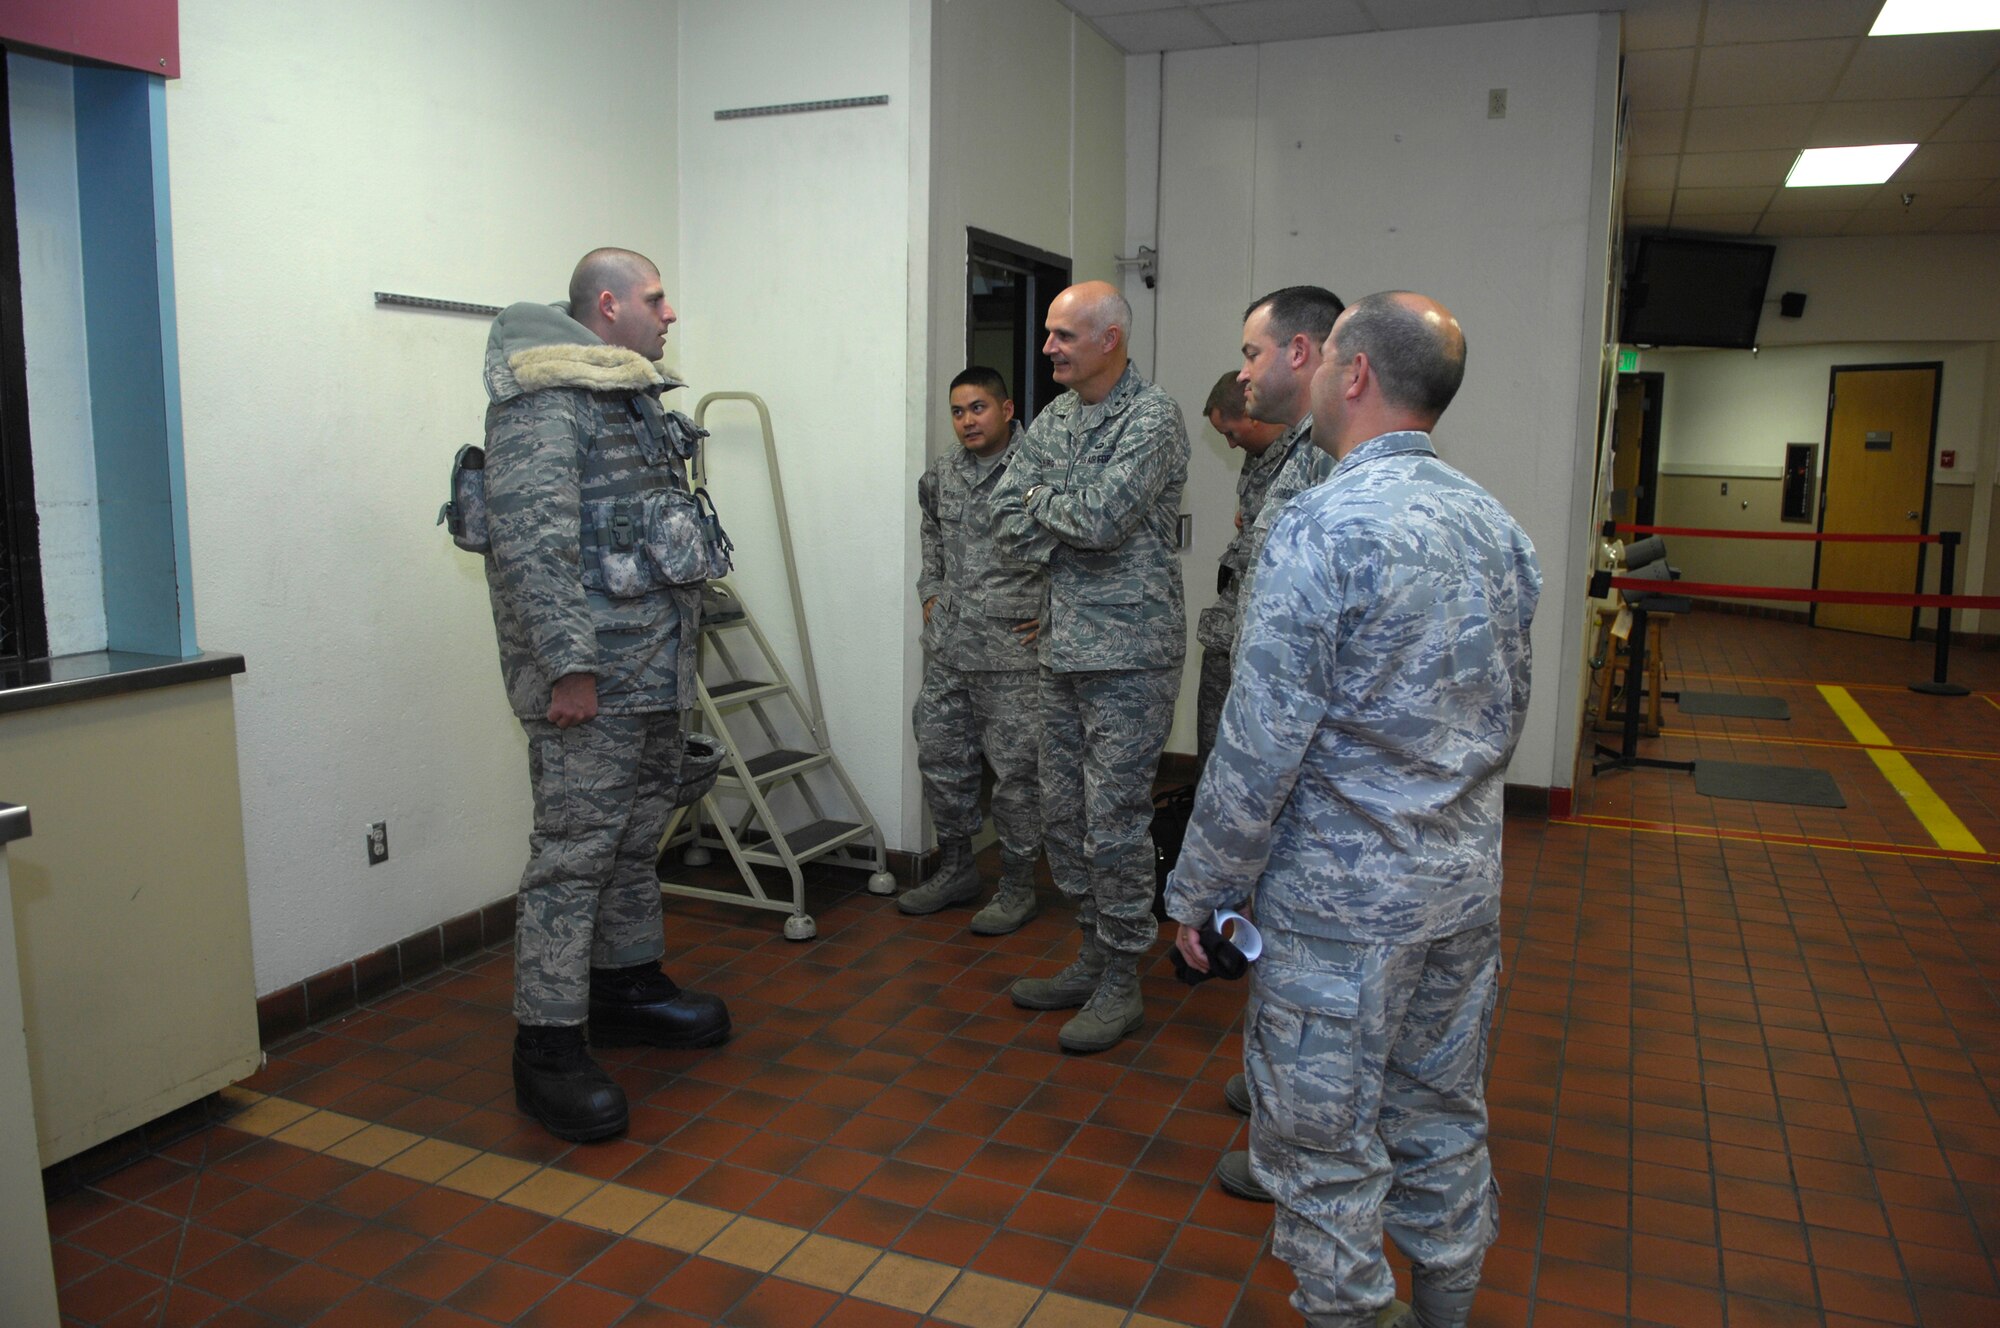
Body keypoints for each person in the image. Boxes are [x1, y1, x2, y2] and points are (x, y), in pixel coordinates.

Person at [1165, 292, 1541, 1328]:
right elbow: (1502, 715)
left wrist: (1200, 892)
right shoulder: (1496, 526)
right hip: (1458, 894)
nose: (1316, 372)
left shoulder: (1320, 525)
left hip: (1341, 916)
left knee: (1321, 1149)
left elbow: (1258, 744)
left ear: (1357, 373)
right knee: (1441, 1118)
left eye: (1326, 355)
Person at [480, 248, 731, 1143]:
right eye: (657, 298)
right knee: (573, 853)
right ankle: (547, 1046)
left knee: (631, 838)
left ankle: (624, 984)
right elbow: (531, 544)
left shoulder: (628, 397)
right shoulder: (544, 400)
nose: (671, 313)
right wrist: (568, 668)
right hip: (592, 679)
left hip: (651, 669)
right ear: (612, 304)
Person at [992, 280, 1188, 1054]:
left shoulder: (1153, 417)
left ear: (1110, 340)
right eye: (1048, 334)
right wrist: (1061, 509)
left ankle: (1123, 977)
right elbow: (1006, 522)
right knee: (1062, 813)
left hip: (1130, 654)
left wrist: (1046, 500)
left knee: (1114, 822)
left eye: (1063, 335)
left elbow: (1104, 521)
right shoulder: (1056, 418)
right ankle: (1092, 952)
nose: (1048, 348)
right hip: (1061, 646)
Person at [899, 367, 1046, 935]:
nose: (967, 421)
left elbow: (1078, 543)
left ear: (1006, 410)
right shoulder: (945, 472)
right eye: (958, 411)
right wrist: (930, 590)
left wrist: (1053, 609)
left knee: (1017, 773)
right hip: (951, 647)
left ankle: (1017, 884)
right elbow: (931, 533)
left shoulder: (1042, 466)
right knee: (940, 756)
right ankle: (957, 868)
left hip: (1013, 654)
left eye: (978, 408)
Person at [1232, 285, 1346, 628]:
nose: (1242, 374)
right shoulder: (1300, 447)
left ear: (1298, 352)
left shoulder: (1334, 452)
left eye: (1252, 355)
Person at [1194, 371, 1287, 767]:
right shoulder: (1258, 455)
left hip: (1270, 628)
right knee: (1215, 743)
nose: (1231, 444)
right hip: (1230, 623)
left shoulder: (1305, 455)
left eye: (1231, 432)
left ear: (1252, 414)